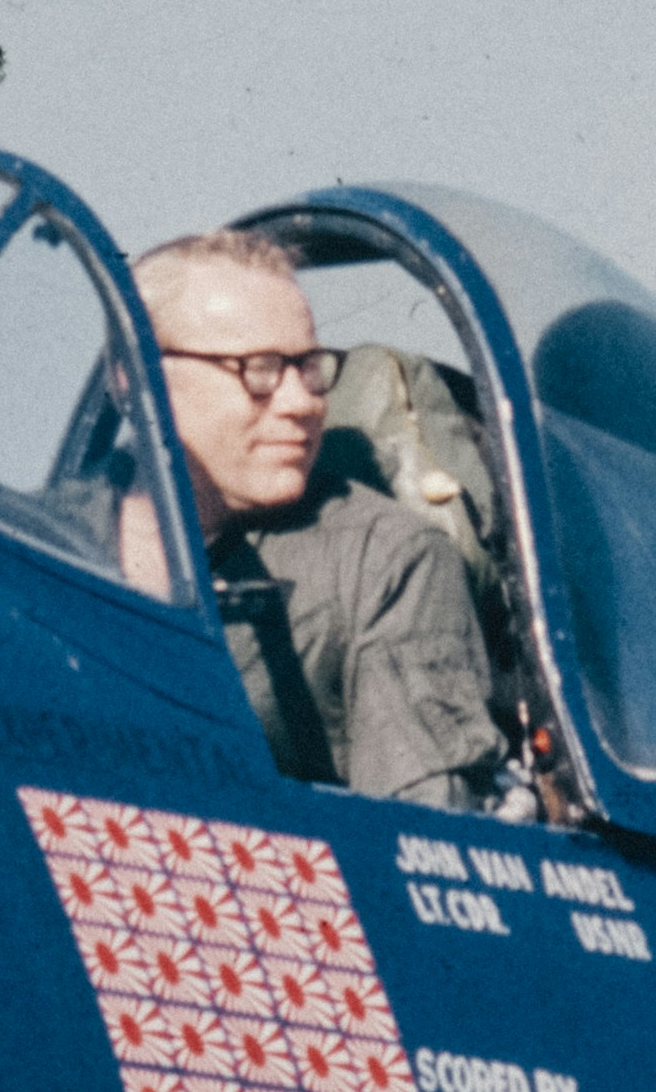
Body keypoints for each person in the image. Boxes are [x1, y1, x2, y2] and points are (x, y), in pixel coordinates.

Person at [123, 230, 509, 815]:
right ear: (135, 378)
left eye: (308, 367)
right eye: (258, 369)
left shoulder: (383, 562)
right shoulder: (37, 544)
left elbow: (423, 841)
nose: (303, 403)